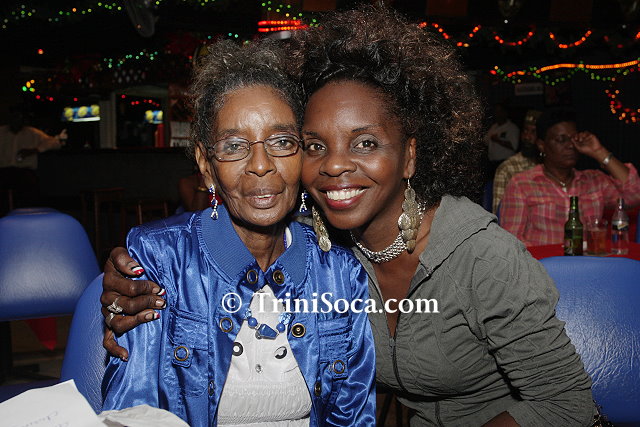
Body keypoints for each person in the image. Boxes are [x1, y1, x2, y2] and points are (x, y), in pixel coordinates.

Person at [101, 7, 595, 426]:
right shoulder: (325, 244)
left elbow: (566, 404)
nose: (335, 165)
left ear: (410, 156)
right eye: (316, 145)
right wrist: (127, 287)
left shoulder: (478, 257)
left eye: (366, 143)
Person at [101, 39, 376, 427]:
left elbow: (353, 414)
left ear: (304, 153)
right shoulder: (161, 259)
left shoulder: (340, 273)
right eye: (234, 146)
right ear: (206, 165)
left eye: (282, 142)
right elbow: (133, 410)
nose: (261, 165)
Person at [500, 107, 640, 246]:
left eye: (573, 139)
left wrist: (599, 152)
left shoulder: (593, 180)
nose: (570, 146)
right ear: (542, 145)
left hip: (588, 259)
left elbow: (634, 195)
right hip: (541, 260)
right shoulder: (522, 184)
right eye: (561, 140)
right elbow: (512, 243)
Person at [0, 105, 65, 208]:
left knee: (29, 188)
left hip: (24, 170)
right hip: (4, 170)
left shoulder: (32, 133)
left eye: (19, 117)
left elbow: (55, 143)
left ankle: (28, 211)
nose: (16, 120)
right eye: (14, 117)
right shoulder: (2, 132)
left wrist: (35, 150)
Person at [492, 109, 541, 213]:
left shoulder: (553, 168)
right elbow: (499, 214)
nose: (527, 137)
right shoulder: (507, 169)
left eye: (533, 132)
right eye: (525, 131)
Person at [484, 102, 520, 175]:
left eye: (500, 111)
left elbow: (514, 146)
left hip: (505, 163)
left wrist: (498, 140)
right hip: (492, 163)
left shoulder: (512, 128)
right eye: (496, 112)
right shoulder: (493, 127)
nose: (498, 114)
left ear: (505, 113)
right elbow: (485, 141)